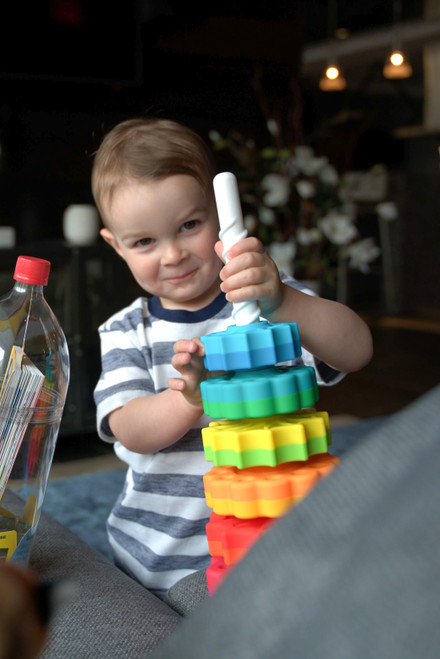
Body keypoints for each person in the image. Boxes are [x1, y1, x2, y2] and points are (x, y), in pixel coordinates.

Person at [92, 117, 373, 599]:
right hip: (165, 559)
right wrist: (189, 399)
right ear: (116, 246)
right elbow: (129, 431)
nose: (174, 254)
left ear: (222, 219)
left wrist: (285, 301)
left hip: (277, 541)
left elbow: (357, 350)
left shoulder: (272, 303)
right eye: (144, 242)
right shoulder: (126, 331)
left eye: (189, 226)